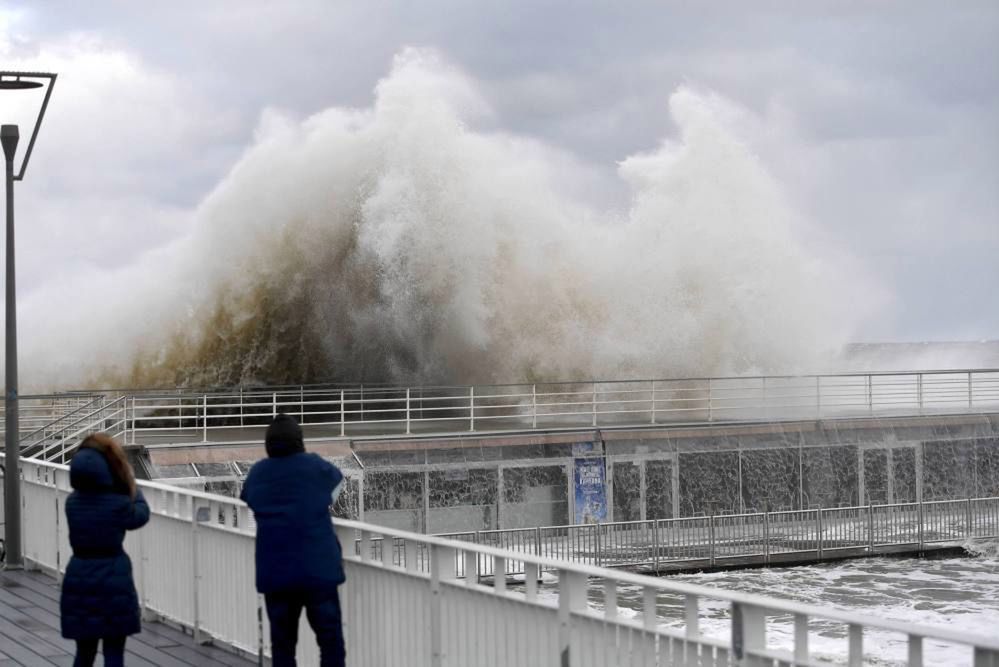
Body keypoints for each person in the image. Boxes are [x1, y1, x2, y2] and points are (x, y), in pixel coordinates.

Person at [241, 413, 346, 667]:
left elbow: (249, 498)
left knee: (283, 646)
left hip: (277, 574)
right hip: (319, 570)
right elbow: (337, 485)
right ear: (299, 440)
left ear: (268, 443)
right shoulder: (314, 466)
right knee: (330, 641)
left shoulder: (258, 473)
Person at [60, 433, 150, 667]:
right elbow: (140, 516)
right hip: (113, 578)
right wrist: (133, 489)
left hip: (79, 575)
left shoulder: (72, 502)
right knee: (114, 651)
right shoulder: (118, 502)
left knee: (84, 652)